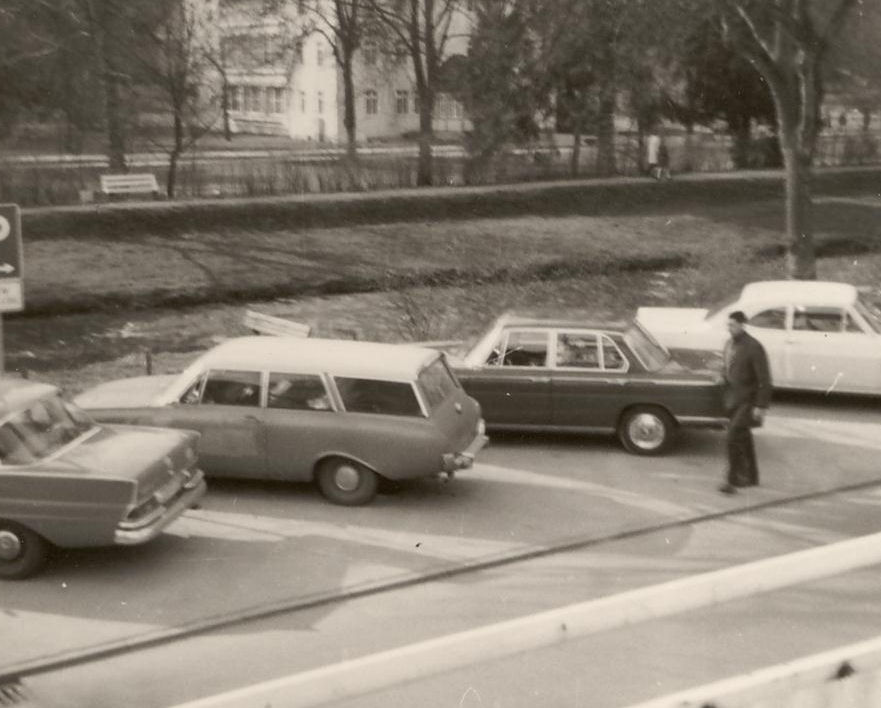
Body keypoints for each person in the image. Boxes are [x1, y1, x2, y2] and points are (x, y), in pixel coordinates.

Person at [719, 310, 771, 494]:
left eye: (732, 325)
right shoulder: (729, 344)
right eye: (728, 325)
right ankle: (751, 476)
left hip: (748, 401)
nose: (729, 328)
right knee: (743, 437)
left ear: (742, 325)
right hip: (733, 400)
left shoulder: (754, 346)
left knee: (733, 437)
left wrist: (761, 406)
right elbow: (727, 367)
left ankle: (733, 481)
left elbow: (764, 379)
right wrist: (721, 377)